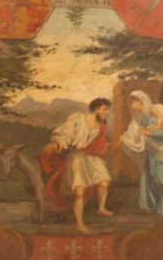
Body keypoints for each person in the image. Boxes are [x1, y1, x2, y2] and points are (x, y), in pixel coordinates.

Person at [41, 98, 113, 233]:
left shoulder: (101, 126)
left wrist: (103, 147)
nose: (107, 113)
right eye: (104, 110)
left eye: (107, 110)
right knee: (79, 192)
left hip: (93, 158)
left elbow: (101, 142)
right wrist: (58, 143)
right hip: (78, 158)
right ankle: (80, 223)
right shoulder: (78, 119)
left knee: (104, 183)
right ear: (96, 109)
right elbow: (65, 133)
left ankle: (101, 208)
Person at [119, 90, 163, 215]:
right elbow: (137, 132)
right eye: (131, 104)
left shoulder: (156, 110)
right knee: (150, 176)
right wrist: (125, 139)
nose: (132, 106)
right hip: (154, 151)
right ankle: (157, 204)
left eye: (133, 102)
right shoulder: (143, 118)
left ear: (141, 101)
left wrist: (151, 133)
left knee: (162, 175)